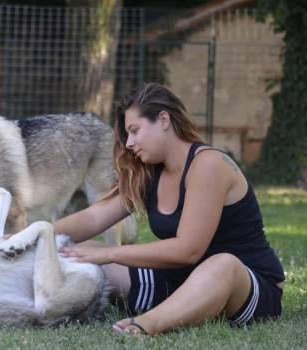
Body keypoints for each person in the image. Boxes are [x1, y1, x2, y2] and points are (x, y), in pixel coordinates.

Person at [55, 83, 285, 336]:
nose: (129, 143)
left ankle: (148, 324)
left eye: (134, 130)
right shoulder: (149, 172)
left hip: (245, 287)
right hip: (177, 281)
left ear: (163, 119)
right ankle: (41, 302)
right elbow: (93, 217)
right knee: (79, 250)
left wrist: (111, 253)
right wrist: (33, 234)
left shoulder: (208, 164)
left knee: (223, 264)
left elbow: (188, 250)